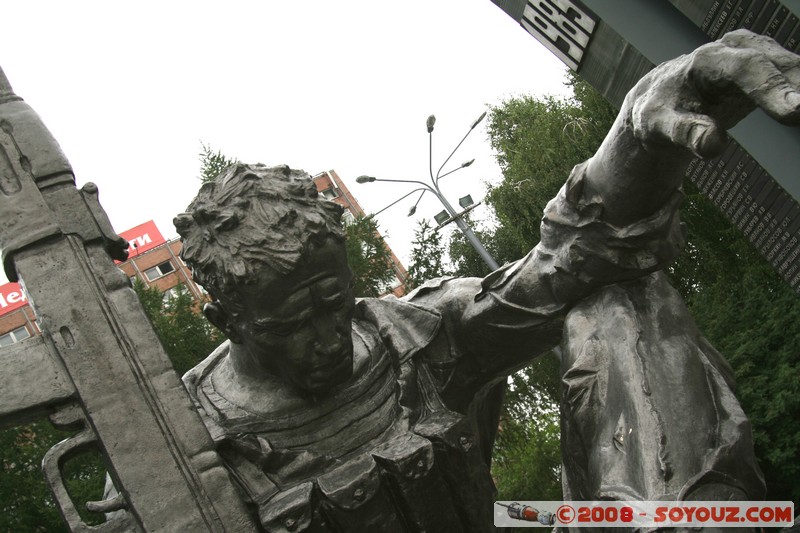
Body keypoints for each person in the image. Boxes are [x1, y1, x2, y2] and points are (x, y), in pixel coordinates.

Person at [174, 31, 797, 532]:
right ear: (227, 324)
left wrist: (638, 136)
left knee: (616, 302)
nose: (329, 337)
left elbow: (568, 264)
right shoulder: (182, 446)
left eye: (334, 303)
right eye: (290, 326)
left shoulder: (414, 336)